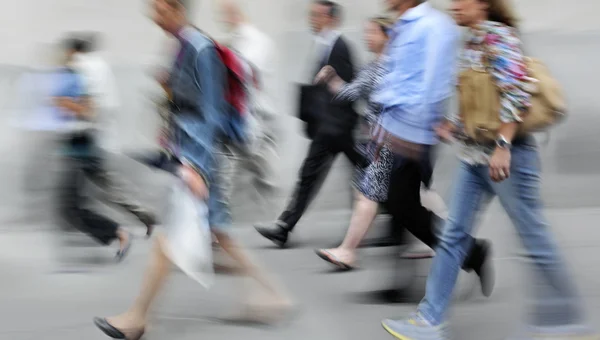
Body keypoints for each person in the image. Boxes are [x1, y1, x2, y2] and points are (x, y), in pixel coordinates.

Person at [381, 1, 598, 339]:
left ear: (481, 4)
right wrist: (452, 127)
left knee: (534, 238)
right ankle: (429, 319)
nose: (454, 6)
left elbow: (516, 95)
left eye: (460, 1)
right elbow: (482, 104)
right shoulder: (471, 42)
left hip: (507, 159)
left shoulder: (499, 37)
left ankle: (565, 317)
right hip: (474, 156)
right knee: (453, 236)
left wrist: (503, 146)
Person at [93, 1, 291, 338]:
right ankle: (272, 296)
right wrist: (168, 88)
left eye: (158, 9)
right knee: (220, 238)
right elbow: (187, 103)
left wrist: (196, 168)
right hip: (189, 156)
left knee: (168, 240)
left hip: (199, 161)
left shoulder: (200, 48)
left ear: (176, 8)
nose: (153, 16)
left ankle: (137, 318)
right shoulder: (182, 47)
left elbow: (211, 114)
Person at [314, 16, 445, 270]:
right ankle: (439, 238)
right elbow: (353, 92)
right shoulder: (381, 66)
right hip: (386, 140)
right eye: (367, 31)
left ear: (388, 36)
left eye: (372, 32)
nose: (367, 36)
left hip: (389, 141)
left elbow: (352, 94)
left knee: (370, 196)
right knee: (409, 192)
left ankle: (348, 251)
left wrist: (331, 80)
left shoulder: (387, 67)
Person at [254, 0, 368, 248]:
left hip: (339, 128)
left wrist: (330, 119)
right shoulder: (323, 45)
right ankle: (284, 226)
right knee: (312, 175)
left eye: (317, 15)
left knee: (362, 175)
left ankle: (393, 218)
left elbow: (348, 89)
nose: (312, 19)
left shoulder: (339, 47)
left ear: (332, 19)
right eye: (311, 15)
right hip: (331, 129)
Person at [70, 34, 157, 237]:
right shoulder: (100, 66)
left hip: (86, 135)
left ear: (74, 51)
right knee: (103, 183)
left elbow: (87, 103)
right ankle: (142, 214)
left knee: (88, 186)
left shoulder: (83, 67)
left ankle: (117, 228)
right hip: (97, 134)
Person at [54, 38, 132, 260]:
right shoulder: (79, 72)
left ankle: (120, 232)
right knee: (70, 207)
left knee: (71, 206)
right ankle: (117, 232)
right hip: (77, 144)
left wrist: (63, 102)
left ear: (72, 51)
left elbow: (88, 111)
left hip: (82, 144)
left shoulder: (83, 72)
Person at [217, 0, 281, 214]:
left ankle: (281, 215)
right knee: (230, 162)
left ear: (236, 14)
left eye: (226, 14)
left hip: (257, 115)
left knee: (259, 165)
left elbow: (244, 70)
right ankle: (220, 213)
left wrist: (222, 59)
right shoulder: (236, 41)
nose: (223, 19)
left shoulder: (256, 40)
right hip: (239, 114)